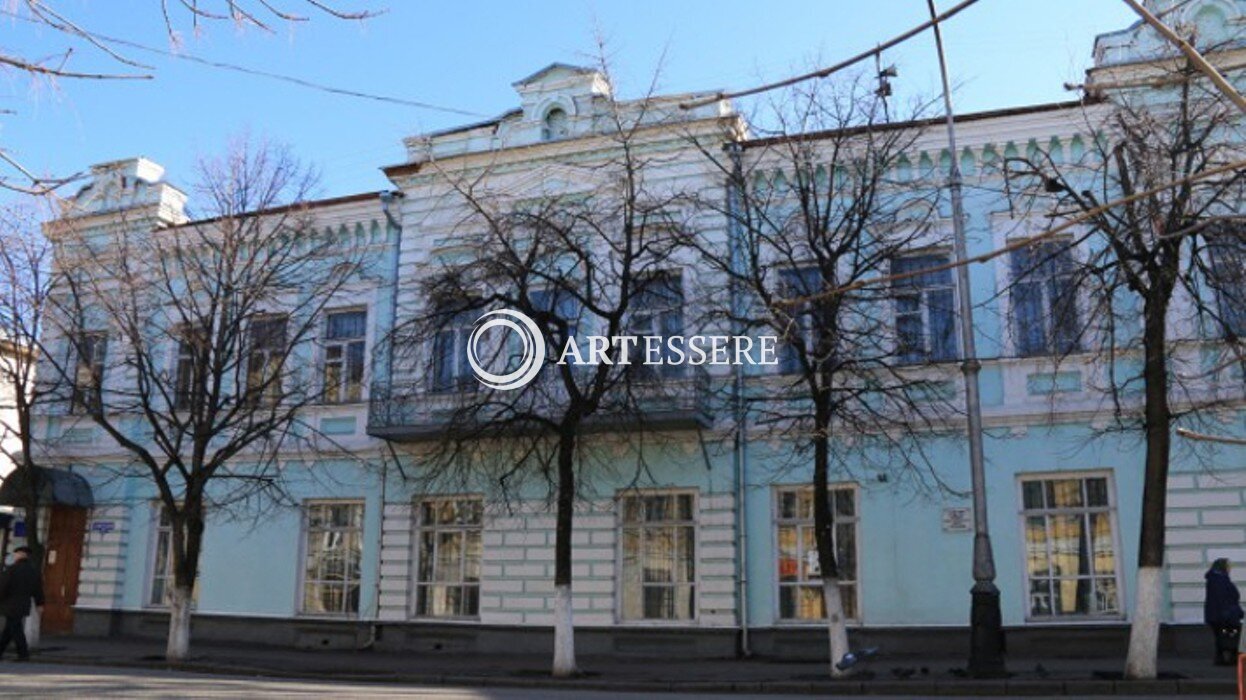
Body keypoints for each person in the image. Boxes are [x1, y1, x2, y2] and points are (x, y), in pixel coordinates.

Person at [0, 546, 45, 661]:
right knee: (9, 630)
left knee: (16, 629)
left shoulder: (11, 570)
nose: (15, 556)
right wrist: (40, 603)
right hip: (23, 604)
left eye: (16, 554)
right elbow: (38, 589)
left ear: (21, 554)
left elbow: (3, 586)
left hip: (10, 604)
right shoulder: (33, 571)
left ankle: (23, 654)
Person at [1204, 558, 1244, 666]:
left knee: (1220, 637)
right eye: (1228, 566)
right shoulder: (1220, 580)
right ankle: (1231, 658)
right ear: (1223, 567)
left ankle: (1221, 659)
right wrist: (1233, 613)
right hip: (1224, 616)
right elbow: (1226, 599)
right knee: (1232, 636)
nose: (1230, 568)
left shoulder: (1214, 579)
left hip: (1216, 615)